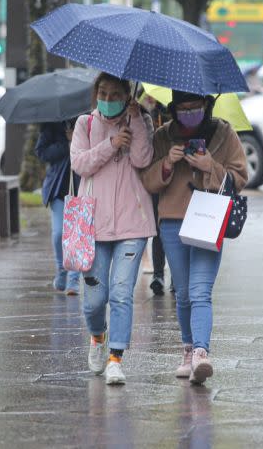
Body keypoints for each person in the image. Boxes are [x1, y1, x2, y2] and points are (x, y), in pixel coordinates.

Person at [141, 90, 248, 384]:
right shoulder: (163, 136)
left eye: (195, 107)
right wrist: (166, 163)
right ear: (174, 109)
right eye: (183, 108)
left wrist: (209, 166)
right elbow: (147, 180)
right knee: (184, 293)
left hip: (208, 219)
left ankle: (201, 352)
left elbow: (240, 175)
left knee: (201, 291)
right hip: (173, 223)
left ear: (207, 105)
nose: (189, 113)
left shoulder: (224, 134)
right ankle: (187, 349)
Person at [70, 72, 156, 385]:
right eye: (103, 94)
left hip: (133, 223)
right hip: (92, 224)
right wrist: (110, 143)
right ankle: (97, 336)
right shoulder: (85, 124)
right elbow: (80, 164)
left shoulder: (140, 120)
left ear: (126, 95)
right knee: (94, 299)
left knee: (121, 292)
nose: (107, 100)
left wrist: (134, 122)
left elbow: (143, 159)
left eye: (115, 94)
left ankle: (116, 358)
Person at [35, 120, 82, 295]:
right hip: (58, 187)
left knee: (76, 234)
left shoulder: (86, 119)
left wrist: (77, 140)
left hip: (80, 186)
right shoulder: (51, 124)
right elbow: (41, 152)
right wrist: (66, 144)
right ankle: (62, 270)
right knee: (59, 233)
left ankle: (74, 280)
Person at [139, 92, 171, 296]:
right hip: (156, 178)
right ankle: (158, 274)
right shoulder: (148, 113)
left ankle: (176, 276)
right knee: (159, 229)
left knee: (177, 230)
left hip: (178, 182)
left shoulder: (177, 114)